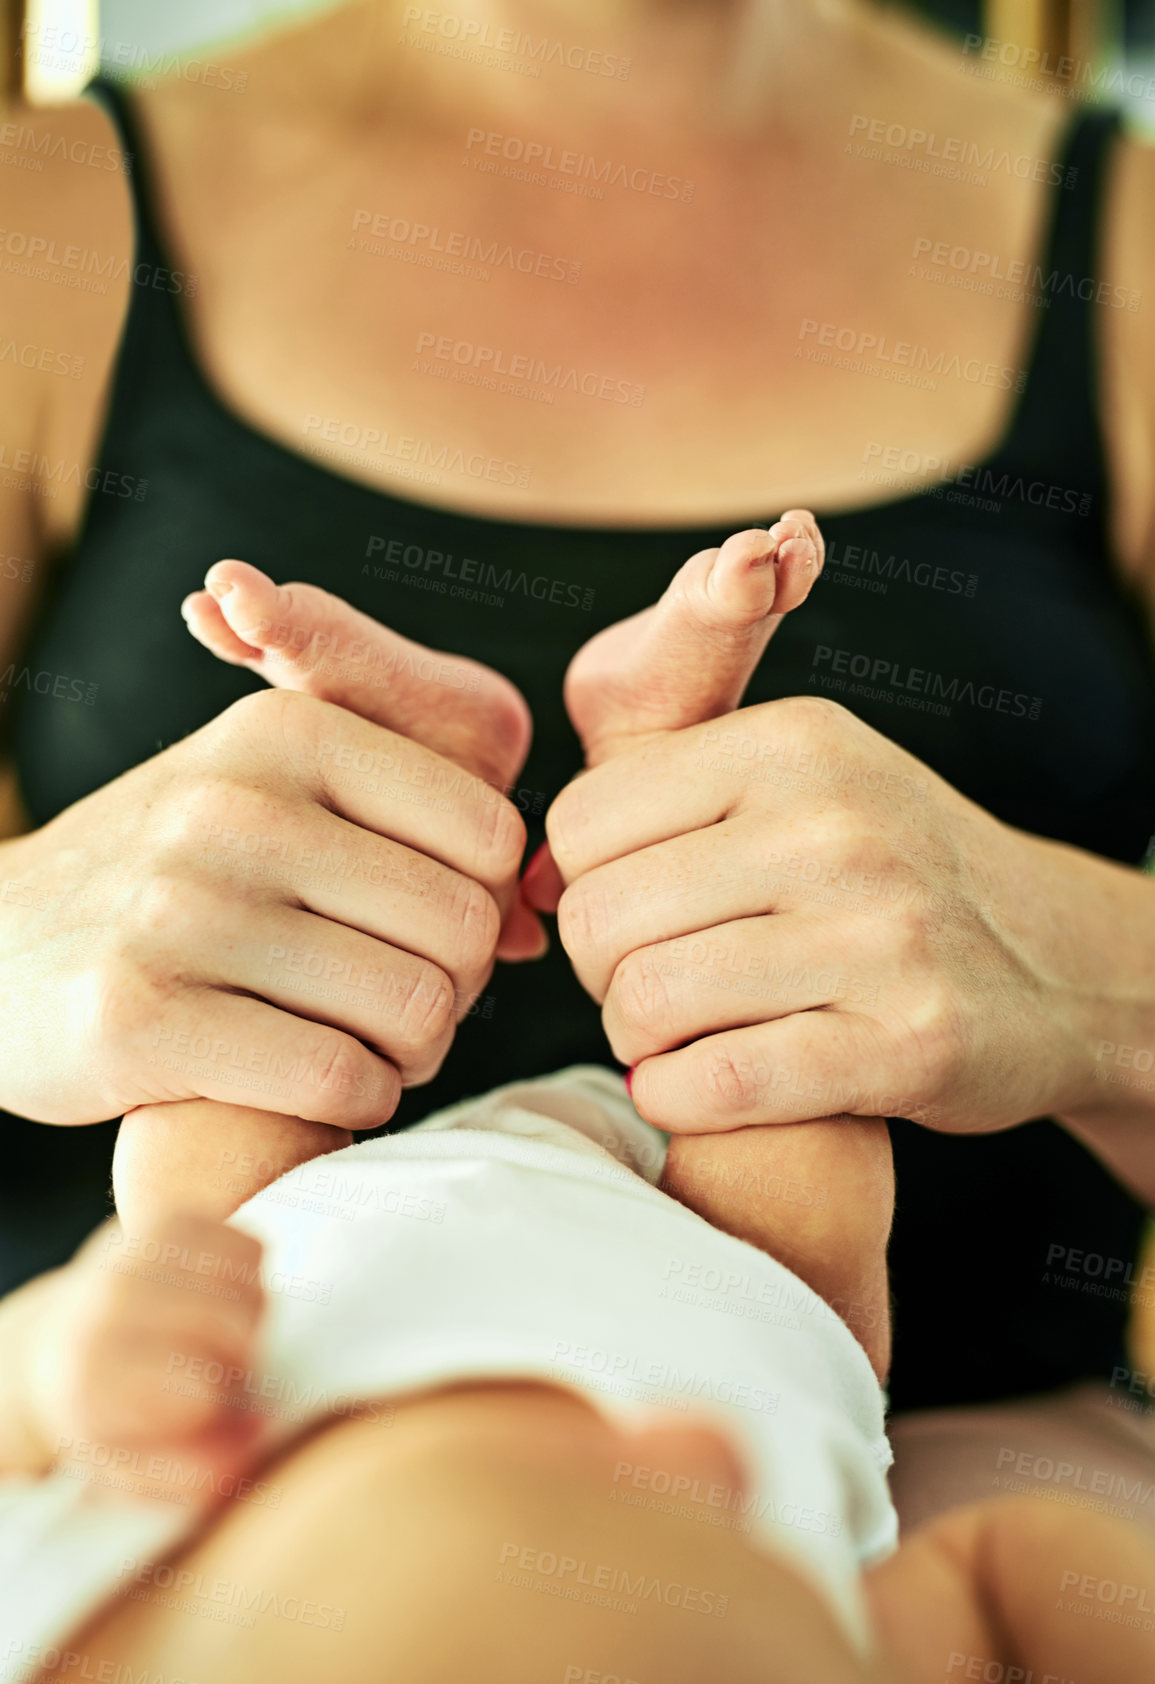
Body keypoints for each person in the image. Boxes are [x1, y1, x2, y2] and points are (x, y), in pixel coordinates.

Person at [2, 0, 1154, 1425]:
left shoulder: (1129, 248)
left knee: (758, 1138)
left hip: (861, 1444)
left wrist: (1086, 975)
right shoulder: (33, 228)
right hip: (183, 1428)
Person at [1, 1072, 1153, 1684]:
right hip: (751, 1269)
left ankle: (379, 744)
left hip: (298, 1231)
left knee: (216, 1093)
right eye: (728, 1543)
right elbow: (1004, 1572)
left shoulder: (42, 1648)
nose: (703, 1453)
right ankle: (673, 749)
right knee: (774, 1054)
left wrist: (70, 1350)